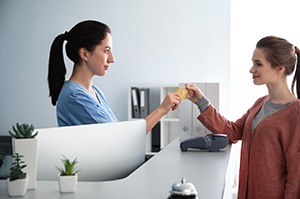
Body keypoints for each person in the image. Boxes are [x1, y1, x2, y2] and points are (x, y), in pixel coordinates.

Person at [185, 36, 300, 198]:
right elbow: (232, 132)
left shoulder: (296, 113)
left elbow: (296, 176)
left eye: (258, 64)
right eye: (253, 63)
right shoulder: (260, 103)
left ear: (279, 68)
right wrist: (201, 101)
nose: (251, 70)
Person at [47, 20, 181, 133]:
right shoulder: (74, 96)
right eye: (106, 51)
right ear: (85, 54)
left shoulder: (95, 92)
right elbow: (120, 138)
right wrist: (162, 109)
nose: (112, 59)